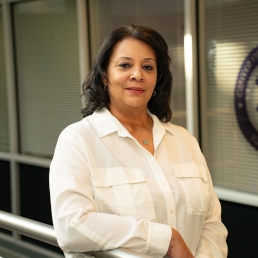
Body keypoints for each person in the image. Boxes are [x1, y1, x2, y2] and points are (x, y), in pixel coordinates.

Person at [49, 25, 228, 258]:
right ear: (104, 75)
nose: (138, 74)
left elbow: (212, 224)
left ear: (157, 78)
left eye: (148, 67)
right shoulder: (78, 140)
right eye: (125, 65)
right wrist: (167, 239)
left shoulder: (185, 140)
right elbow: (71, 226)